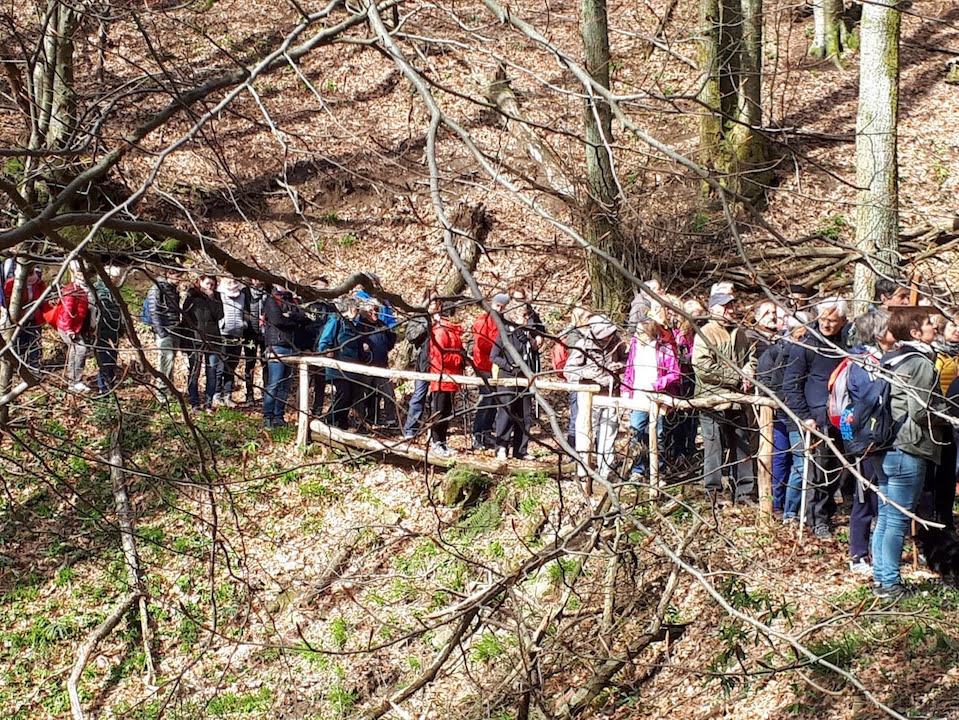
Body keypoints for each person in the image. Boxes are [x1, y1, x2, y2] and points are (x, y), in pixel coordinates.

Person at [871, 307, 945, 598]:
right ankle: (889, 584)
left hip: (884, 445)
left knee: (887, 516)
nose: (935, 328)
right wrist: (949, 417)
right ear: (915, 333)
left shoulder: (892, 358)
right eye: (929, 324)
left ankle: (881, 579)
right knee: (898, 519)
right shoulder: (921, 363)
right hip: (907, 447)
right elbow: (921, 412)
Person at [842, 309, 892, 575]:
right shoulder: (860, 362)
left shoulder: (887, 359)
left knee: (882, 496)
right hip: (865, 437)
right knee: (864, 497)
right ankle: (858, 555)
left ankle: (879, 551)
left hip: (885, 436)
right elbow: (866, 398)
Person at [692, 291, 755, 504]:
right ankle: (714, 493)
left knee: (742, 445)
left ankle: (744, 492)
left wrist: (748, 372)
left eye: (732, 306)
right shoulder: (705, 333)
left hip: (738, 401)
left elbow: (750, 358)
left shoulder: (740, 333)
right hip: (712, 400)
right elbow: (702, 368)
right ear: (713, 310)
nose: (731, 310)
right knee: (713, 447)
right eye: (725, 307)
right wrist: (737, 377)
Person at [564, 314, 628, 482]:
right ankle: (583, 470)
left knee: (609, 434)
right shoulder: (582, 345)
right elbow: (568, 370)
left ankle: (605, 473)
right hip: (588, 397)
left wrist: (619, 366)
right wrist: (588, 372)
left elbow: (627, 360)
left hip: (611, 394)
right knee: (585, 433)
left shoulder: (617, 342)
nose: (608, 337)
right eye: (605, 334)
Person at [622, 315, 680, 479]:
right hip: (638, 395)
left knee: (658, 434)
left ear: (651, 333)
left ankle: (658, 471)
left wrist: (657, 385)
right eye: (637, 332)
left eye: (641, 332)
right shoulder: (635, 346)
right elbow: (629, 369)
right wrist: (626, 388)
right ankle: (638, 469)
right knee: (636, 432)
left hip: (657, 397)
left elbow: (674, 373)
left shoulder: (665, 348)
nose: (637, 335)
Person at [490, 300, 537, 460]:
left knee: (524, 416)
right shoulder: (504, 334)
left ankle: (520, 450)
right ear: (514, 316)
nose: (526, 318)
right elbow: (494, 356)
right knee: (506, 414)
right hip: (508, 379)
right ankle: (501, 447)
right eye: (524, 315)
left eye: (527, 315)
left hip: (524, 380)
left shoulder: (525, 335)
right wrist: (509, 366)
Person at [316, 298, 369, 430]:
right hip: (338, 367)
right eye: (356, 310)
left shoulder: (353, 325)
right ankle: (328, 420)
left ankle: (342, 424)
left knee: (351, 396)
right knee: (343, 395)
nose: (357, 313)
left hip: (352, 367)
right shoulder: (336, 321)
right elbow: (324, 341)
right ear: (351, 309)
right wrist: (326, 351)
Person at [261, 285, 308, 428]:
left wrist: (292, 316)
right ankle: (268, 416)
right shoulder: (272, 300)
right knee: (274, 382)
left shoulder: (294, 301)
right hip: (277, 345)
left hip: (292, 347)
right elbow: (277, 320)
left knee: (285, 385)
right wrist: (295, 321)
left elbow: (305, 318)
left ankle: (279, 416)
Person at [470, 292, 508, 450]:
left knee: (495, 400)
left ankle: (486, 431)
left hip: (497, 366)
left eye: (502, 307)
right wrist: (500, 346)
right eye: (497, 305)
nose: (499, 309)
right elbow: (482, 343)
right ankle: (477, 433)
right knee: (486, 400)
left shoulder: (503, 321)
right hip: (484, 365)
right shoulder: (482, 321)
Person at [427, 302, 465, 456]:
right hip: (441, 377)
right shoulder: (441, 331)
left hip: (452, 377)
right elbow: (440, 356)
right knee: (439, 411)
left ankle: (442, 441)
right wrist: (459, 359)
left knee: (447, 412)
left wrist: (461, 357)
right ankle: (436, 442)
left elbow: (457, 350)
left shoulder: (452, 331)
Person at [181, 275, 224, 411]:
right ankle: (194, 403)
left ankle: (208, 403)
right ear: (200, 282)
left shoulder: (216, 298)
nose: (209, 287)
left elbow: (219, 315)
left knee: (212, 372)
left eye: (212, 284)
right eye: (207, 284)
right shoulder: (191, 297)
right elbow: (185, 320)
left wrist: (211, 299)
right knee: (195, 371)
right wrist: (184, 343)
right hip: (195, 341)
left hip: (213, 340)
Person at [357, 297, 398, 430]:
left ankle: (391, 422)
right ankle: (361, 421)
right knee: (364, 395)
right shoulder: (360, 326)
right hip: (366, 367)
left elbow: (391, 339)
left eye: (376, 311)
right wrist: (364, 349)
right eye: (370, 311)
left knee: (389, 395)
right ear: (364, 313)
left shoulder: (381, 325)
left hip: (381, 366)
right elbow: (355, 344)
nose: (374, 314)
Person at [56, 261, 96, 393]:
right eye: (79, 272)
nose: (82, 275)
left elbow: (91, 309)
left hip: (81, 326)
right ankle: (75, 381)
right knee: (80, 350)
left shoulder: (88, 288)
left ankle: (72, 380)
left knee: (76, 351)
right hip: (68, 327)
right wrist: (69, 329)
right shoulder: (72, 290)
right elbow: (67, 311)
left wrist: (91, 325)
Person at [402, 297, 440, 439]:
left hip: (439, 363)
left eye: (437, 302)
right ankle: (410, 430)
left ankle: (433, 431)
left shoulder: (443, 317)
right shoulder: (418, 316)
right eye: (431, 302)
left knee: (437, 398)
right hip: (422, 362)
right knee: (419, 395)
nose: (434, 305)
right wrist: (426, 324)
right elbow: (411, 336)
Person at [555, 307, 592, 447]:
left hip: (587, 381)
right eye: (588, 317)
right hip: (577, 380)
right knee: (576, 416)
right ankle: (573, 452)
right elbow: (574, 356)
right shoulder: (574, 336)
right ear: (580, 319)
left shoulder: (588, 334)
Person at [2, 263, 49, 370]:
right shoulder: (11, 283)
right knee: (19, 343)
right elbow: (6, 302)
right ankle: (19, 368)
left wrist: (48, 316)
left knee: (34, 343)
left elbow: (44, 301)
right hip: (18, 319)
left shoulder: (39, 282)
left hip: (35, 318)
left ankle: (34, 368)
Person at [145, 269, 182, 393]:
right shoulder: (157, 288)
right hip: (164, 330)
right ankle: (162, 393)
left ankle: (169, 390)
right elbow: (153, 310)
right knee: (166, 360)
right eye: (177, 276)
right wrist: (161, 332)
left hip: (175, 329)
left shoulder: (173, 289)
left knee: (170, 361)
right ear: (168, 274)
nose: (179, 279)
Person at [216, 276, 250, 407]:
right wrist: (221, 324)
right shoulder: (220, 295)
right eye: (228, 282)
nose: (232, 284)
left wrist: (244, 323)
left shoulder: (242, 295)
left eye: (234, 281)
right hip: (223, 334)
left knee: (232, 367)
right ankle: (217, 394)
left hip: (238, 334)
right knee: (221, 366)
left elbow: (246, 312)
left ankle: (227, 395)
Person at [93, 275, 124, 395]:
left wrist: (121, 328)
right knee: (104, 361)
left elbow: (120, 311)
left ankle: (109, 386)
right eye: (114, 278)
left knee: (111, 360)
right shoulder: (98, 291)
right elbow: (96, 313)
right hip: (102, 332)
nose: (115, 280)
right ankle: (104, 389)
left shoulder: (113, 291)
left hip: (114, 331)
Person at [244, 277, 270, 405]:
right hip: (250, 333)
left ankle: (266, 393)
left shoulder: (269, 291)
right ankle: (249, 394)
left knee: (266, 363)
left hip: (266, 333)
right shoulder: (246, 292)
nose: (257, 280)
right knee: (250, 364)